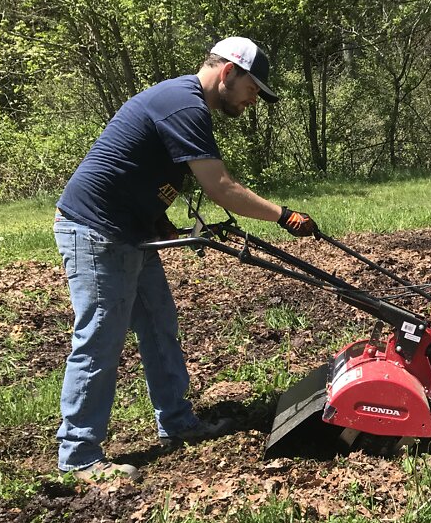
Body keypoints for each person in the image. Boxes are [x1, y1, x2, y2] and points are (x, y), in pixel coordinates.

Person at [52, 36, 317, 482]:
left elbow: (138, 169)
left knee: (159, 325)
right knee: (99, 339)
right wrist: (283, 215)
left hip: (132, 231)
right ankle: (78, 454)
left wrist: (159, 221)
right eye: (253, 89)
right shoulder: (184, 104)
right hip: (96, 233)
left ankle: (177, 423)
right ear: (229, 73)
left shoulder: (185, 103)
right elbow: (221, 187)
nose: (254, 100)